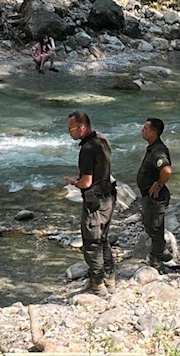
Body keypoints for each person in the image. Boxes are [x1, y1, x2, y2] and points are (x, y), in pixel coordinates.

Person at [65, 111, 116, 296]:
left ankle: (97, 285)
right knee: (103, 240)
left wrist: (74, 183)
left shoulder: (86, 149)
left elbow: (86, 182)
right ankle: (110, 279)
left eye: (71, 129)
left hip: (94, 202)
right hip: (108, 197)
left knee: (92, 242)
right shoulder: (103, 140)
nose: (69, 132)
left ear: (82, 128)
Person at [136, 118, 173, 271]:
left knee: (156, 229)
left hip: (155, 198)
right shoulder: (152, 148)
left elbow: (166, 170)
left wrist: (158, 184)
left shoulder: (158, 150)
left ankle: (157, 262)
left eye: (145, 128)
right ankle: (161, 252)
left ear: (153, 132)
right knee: (149, 225)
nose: (142, 130)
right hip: (149, 197)